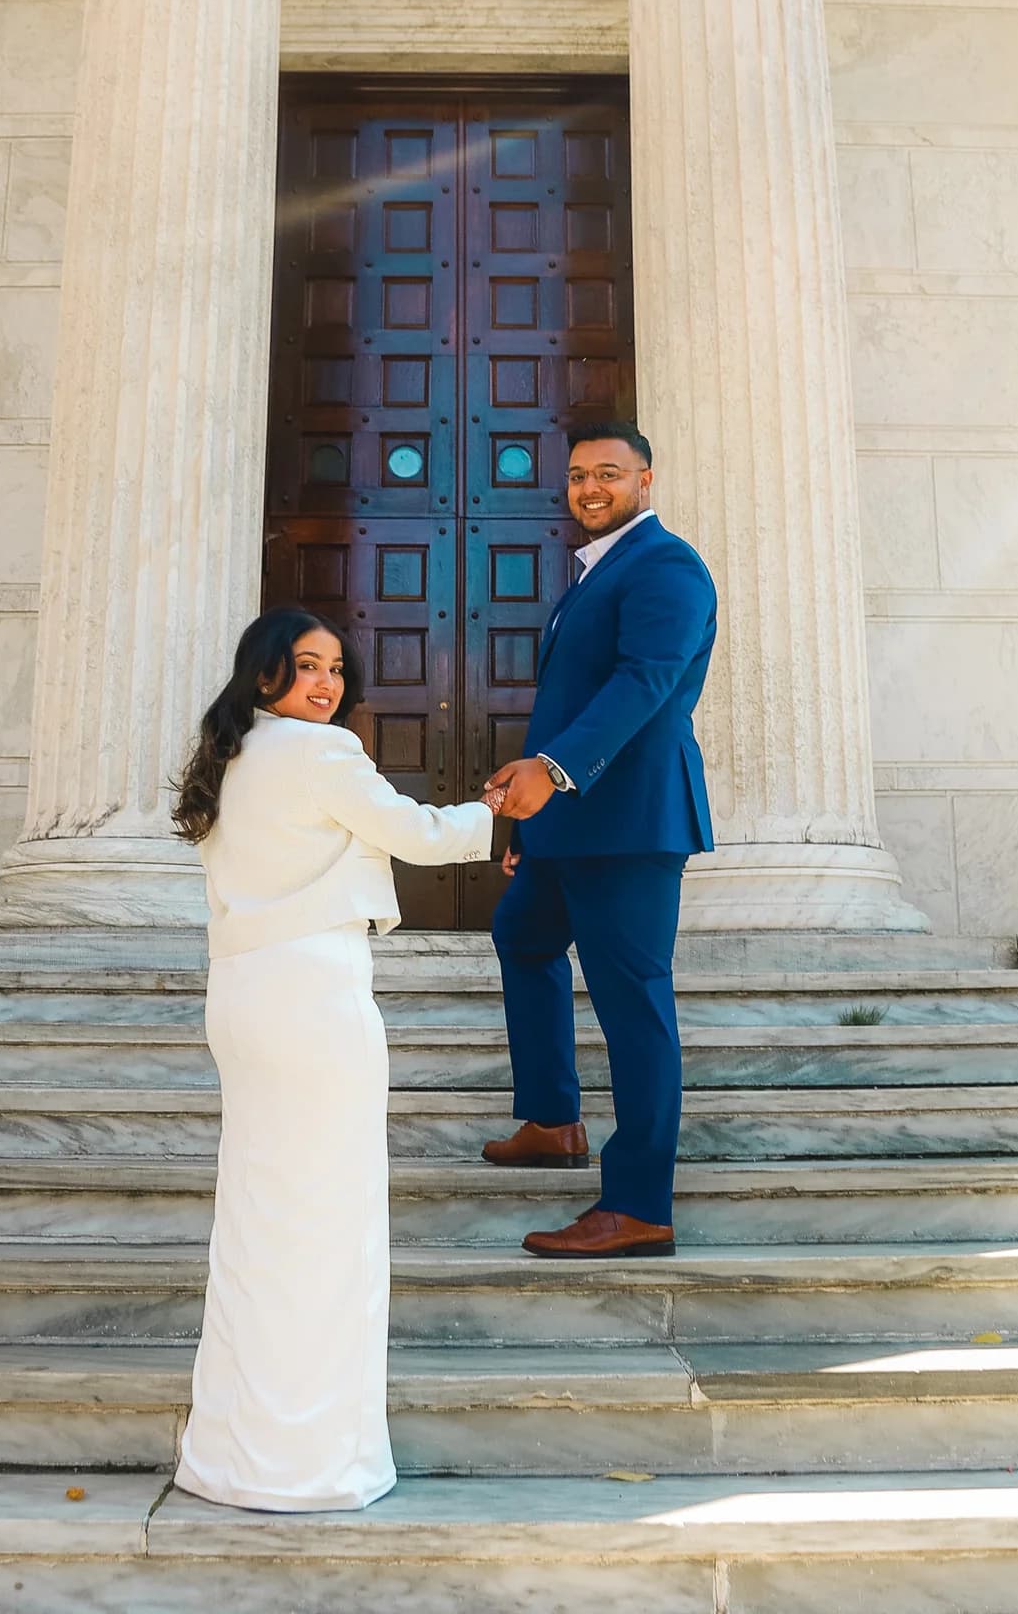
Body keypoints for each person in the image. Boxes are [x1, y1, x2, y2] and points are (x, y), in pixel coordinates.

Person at [169, 606, 494, 1512]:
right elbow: (422, 836)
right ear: (263, 672)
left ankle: (234, 1453)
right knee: (327, 1222)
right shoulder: (322, 755)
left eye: (337, 671)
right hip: (313, 995)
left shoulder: (229, 758)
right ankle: (309, 1462)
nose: (327, 684)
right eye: (306, 666)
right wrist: (496, 812)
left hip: (241, 995)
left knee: (258, 1219)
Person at [482, 421, 717, 1259]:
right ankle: (551, 1119)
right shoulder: (594, 572)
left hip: (631, 823)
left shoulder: (667, 566)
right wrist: (536, 818)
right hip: (572, 822)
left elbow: (644, 683)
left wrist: (550, 770)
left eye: (608, 474)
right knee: (523, 933)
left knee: (632, 1002)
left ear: (645, 480)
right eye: (579, 474)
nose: (589, 488)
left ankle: (639, 1202)